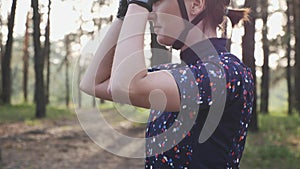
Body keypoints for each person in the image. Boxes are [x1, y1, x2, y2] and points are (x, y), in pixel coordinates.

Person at [80, 0, 254, 168]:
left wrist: (137, 6)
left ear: (196, 4)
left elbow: (128, 86)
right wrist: (123, 14)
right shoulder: (176, 73)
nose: (149, 14)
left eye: (155, 0)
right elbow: (94, 83)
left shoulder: (228, 72)